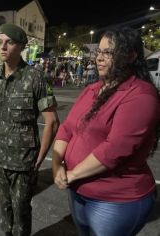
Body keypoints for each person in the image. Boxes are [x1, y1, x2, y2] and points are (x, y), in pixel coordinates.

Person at [52, 27, 160, 236]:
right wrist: (57, 166)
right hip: (78, 192)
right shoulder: (93, 89)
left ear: (131, 55)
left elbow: (115, 149)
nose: (99, 58)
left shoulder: (140, 94)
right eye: (98, 52)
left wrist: (71, 174)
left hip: (115, 201)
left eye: (108, 53)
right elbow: (67, 128)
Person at [0, 23, 59, 236]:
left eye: (9, 42)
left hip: (23, 162)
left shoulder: (35, 78)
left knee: (21, 213)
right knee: (4, 211)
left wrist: (38, 159)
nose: (3, 46)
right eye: (0, 42)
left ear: (21, 47)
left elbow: (52, 121)